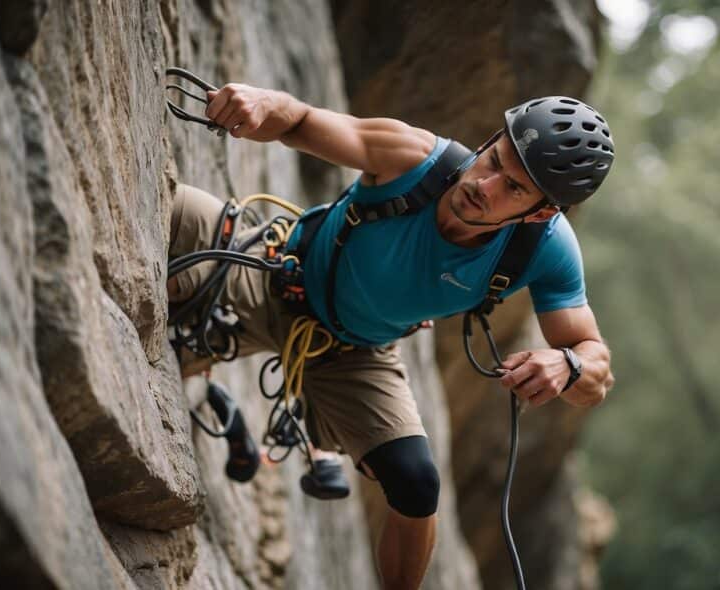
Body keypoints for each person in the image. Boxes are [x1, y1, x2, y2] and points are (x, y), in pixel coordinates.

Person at [167, 82, 616, 590]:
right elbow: (299, 122)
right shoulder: (415, 159)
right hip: (272, 270)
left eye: (513, 189)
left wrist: (570, 365)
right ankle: (205, 378)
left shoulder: (546, 251)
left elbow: (595, 373)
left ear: (539, 212)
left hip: (352, 353)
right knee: (168, 206)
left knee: (416, 483)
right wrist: (262, 103)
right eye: (496, 161)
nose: (485, 185)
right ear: (492, 139)